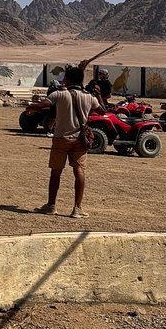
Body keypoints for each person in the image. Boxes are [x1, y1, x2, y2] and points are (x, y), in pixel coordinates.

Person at [34, 66, 99, 219]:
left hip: (61, 138)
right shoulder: (89, 96)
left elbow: (44, 104)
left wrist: (30, 108)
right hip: (80, 139)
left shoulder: (59, 94)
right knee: (79, 171)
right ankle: (77, 208)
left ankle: (51, 205)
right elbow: (101, 110)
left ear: (68, 79)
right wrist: (97, 95)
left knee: (56, 172)